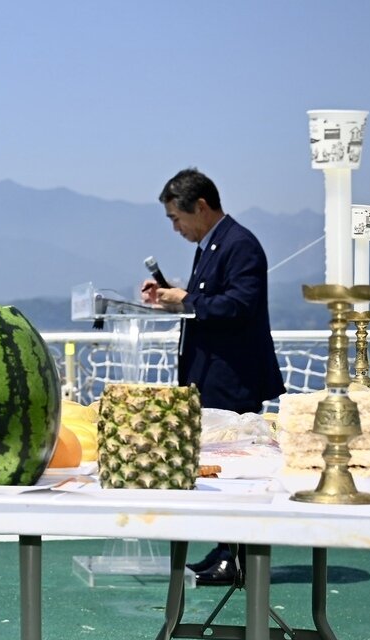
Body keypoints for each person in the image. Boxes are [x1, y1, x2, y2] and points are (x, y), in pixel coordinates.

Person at [141, 168, 285, 585]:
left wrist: (186, 297)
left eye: (176, 218)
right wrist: (173, 299)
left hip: (232, 375)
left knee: (234, 468)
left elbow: (239, 304)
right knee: (216, 463)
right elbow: (209, 302)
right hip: (212, 374)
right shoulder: (214, 245)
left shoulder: (240, 245)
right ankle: (226, 549)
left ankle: (236, 556)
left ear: (200, 207)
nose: (176, 228)